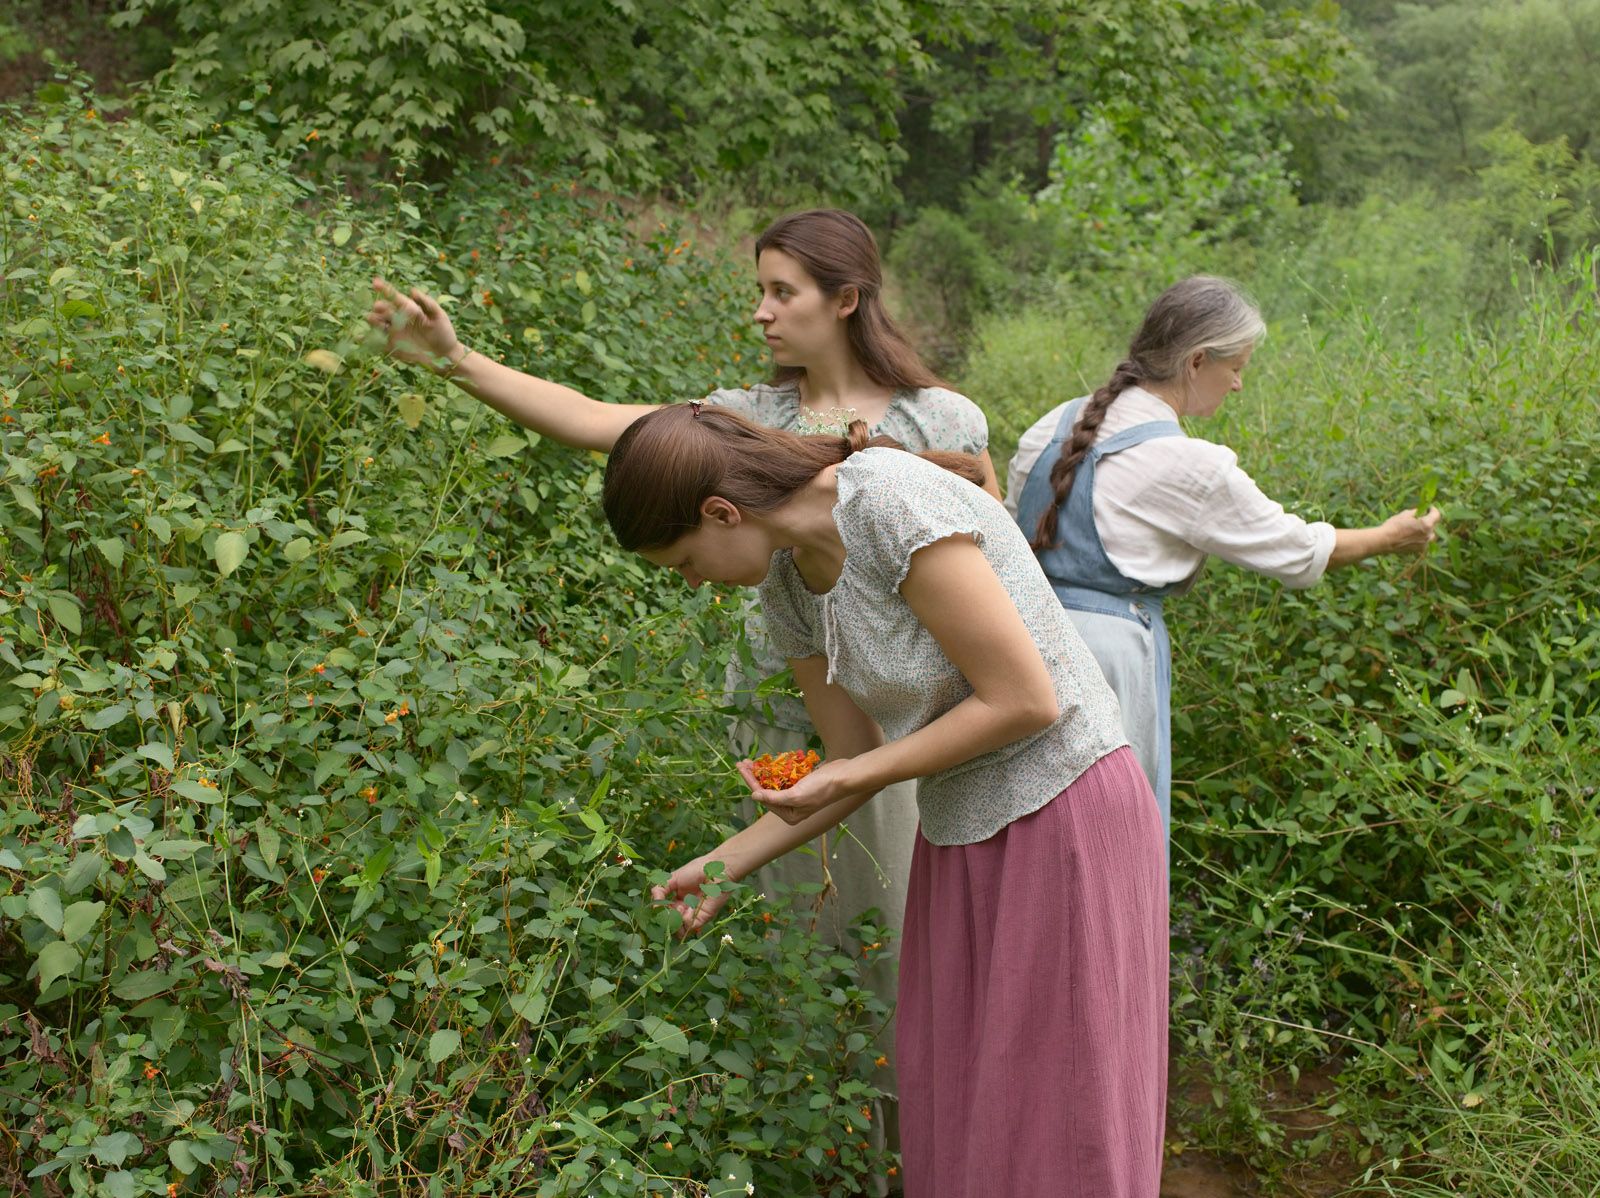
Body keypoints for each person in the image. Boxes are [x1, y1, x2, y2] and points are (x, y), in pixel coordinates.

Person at [365, 208, 999, 1122]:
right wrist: (457, 362)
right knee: (795, 938)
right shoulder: (746, 418)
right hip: (786, 707)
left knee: (897, 938)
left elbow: (991, 561)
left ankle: (910, 1134)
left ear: (847, 299)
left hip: (905, 724)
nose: (763, 313)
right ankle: (811, 1131)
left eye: (783, 292)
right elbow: (595, 422)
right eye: (759, 291)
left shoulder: (939, 419)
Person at [603, 402, 1167, 1198]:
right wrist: (723, 864)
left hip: (1064, 807)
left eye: (685, 561)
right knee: (967, 1099)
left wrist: (856, 776)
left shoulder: (890, 500)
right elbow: (852, 756)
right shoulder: (790, 586)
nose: (693, 582)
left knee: (1056, 1109)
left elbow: (1023, 701)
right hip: (962, 829)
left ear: (721, 512)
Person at [1006, 275, 1442, 847]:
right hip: (1107, 660)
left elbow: (1012, 526)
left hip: (1016, 643)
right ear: (1196, 361)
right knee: (1105, 837)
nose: (1238, 385)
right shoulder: (1184, 463)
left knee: (1026, 826)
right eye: (1236, 367)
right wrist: (1390, 537)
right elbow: (1296, 550)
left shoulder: (1054, 423)